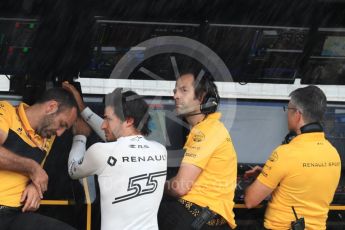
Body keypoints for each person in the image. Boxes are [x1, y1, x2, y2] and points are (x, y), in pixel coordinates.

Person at [63, 82, 167, 230]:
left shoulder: (101, 151)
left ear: (129, 121)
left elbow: (73, 170)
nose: (103, 125)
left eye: (108, 119)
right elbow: (120, 144)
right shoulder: (160, 150)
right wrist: (83, 109)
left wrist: (80, 135)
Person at [244, 85, 341, 230]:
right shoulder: (333, 154)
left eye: (288, 109)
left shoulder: (285, 153)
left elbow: (250, 201)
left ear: (298, 114)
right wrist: (268, 177)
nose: (286, 114)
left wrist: (258, 180)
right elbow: (303, 185)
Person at [158, 71, 237, 230]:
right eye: (175, 91)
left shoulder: (205, 131)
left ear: (201, 97)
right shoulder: (209, 128)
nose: (176, 96)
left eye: (183, 90)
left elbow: (180, 187)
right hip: (209, 217)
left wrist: (158, 185)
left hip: (196, 216)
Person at [0, 87, 78, 230]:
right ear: (51, 107)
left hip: (15, 214)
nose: (60, 134)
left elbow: (36, 173)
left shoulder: (47, 136)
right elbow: (33, 168)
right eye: (62, 124)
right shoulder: (6, 111)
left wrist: (34, 186)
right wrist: (32, 167)